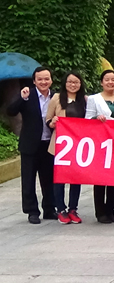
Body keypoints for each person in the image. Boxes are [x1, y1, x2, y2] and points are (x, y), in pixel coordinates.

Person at [7, 66, 56, 224]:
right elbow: (11, 111)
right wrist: (21, 98)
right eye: (40, 79)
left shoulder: (56, 97)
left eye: (46, 79)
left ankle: (49, 209)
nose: (43, 82)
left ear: (51, 80)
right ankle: (32, 211)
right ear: (34, 81)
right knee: (28, 180)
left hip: (49, 144)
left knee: (49, 179)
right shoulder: (28, 95)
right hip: (30, 144)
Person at [86, 70, 114, 224]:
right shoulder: (94, 99)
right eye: (107, 79)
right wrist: (96, 118)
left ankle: (111, 210)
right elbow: (86, 119)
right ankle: (100, 212)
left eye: (113, 79)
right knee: (100, 178)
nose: (110, 82)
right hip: (100, 143)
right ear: (101, 82)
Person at [46, 71, 86, 224]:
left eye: (76, 82)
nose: (72, 85)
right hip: (60, 146)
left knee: (76, 178)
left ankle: (73, 208)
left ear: (80, 84)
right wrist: (53, 122)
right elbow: (48, 120)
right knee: (59, 178)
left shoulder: (85, 100)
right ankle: (61, 209)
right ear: (65, 83)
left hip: (78, 146)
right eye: (69, 82)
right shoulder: (56, 98)